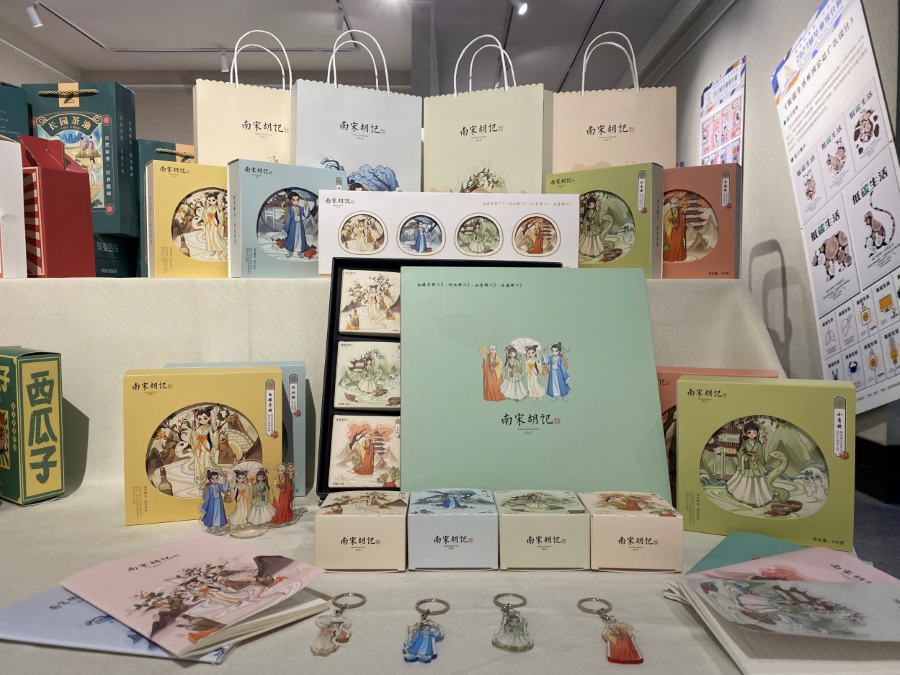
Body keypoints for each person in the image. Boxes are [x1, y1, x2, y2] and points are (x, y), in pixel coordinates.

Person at [725, 421, 773, 507]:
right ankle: (744, 496)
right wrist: (744, 457)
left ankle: (758, 497)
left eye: (754, 432)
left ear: (757, 433)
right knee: (745, 479)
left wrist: (762, 458)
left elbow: (761, 454)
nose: (752, 434)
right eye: (749, 432)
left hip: (756, 462)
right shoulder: (744, 442)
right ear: (745, 433)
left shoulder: (758, 443)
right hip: (747, 461)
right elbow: (740, 452)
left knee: (758, 480)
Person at [190, 407, 218, 486]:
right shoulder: (199, 427)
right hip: (198, 445)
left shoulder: (209, 427)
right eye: (199, 419)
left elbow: (213, 437)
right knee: (198, 462)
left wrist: (215, 429)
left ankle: (206, 479)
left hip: (205, 446)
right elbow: (195, 436)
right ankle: (200, 480)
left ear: (209, 418)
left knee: (205, 461)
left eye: (205, 418)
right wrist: (193, 429)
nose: (202, 420)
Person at [281, 192, 313, 258]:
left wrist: (306, 204)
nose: (296, 201)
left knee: (300, 239)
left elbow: (306, 214)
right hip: (293, 226)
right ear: (290, 200)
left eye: (297, 199)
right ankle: (290, 252)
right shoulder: (290, 209)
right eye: (294, 200)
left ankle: (299, 252)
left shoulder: (299, 208)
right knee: (292, 238)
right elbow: (288, 219)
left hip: (299, 225)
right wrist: (286, 228)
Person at [663, 195, 688, 262]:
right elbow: (664, 220)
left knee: (679, 242)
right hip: (672, 230)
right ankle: (671, 258)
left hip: (678, 229)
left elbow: (681, 219)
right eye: (671, 203)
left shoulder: (679, 211)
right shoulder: (669, 211)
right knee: (671, 243)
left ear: (677, 204)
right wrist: (671, 224)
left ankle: (678, 257)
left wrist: (685, 222)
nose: (672, 204)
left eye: (674, 203)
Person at [203, 192, 227, 259]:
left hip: (214, 222)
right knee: (209, 236)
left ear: (216, 200)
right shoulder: (208, 208)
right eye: (209, 200)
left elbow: (220, 216)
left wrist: (221, 215)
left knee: (215, 235)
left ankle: (219, 248)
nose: (211, 202)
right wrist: (205, 212)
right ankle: (212, 250)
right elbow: (205, 215)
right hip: (208, 223)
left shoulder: (217, 208)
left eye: (213, 200)